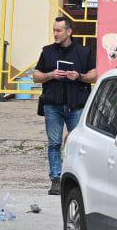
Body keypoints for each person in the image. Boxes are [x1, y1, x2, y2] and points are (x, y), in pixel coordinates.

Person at [34, 15, 96, 196]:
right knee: (54, 143)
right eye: (54, 30)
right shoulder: (47, 51)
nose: (55, 33)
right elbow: (36, 75)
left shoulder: (84, 52)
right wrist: (51, 75)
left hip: (76, 104)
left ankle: (76, 179)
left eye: (59, 30)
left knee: (78, 144)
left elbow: (94, 75)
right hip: (53, 104)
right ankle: (56, 179)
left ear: (69, 32)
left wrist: (79, 76)